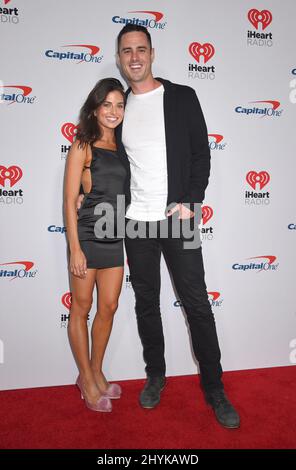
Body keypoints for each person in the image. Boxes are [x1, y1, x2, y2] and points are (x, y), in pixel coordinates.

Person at [115, 24, 240, 428]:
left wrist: (192, 200)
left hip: (177, 218)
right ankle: (156, 375)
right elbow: (113, 166)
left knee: (198, 304)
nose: (134, 57)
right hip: (137, 222)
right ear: (119, 59)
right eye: (126, 51)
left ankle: (215, 388)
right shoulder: (117, 109)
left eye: (140, 49)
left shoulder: (182, 97)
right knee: (146, 303)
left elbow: (201, 153)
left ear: (152, 54)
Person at [64, 78, 128, 412]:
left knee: (109, 307)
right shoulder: (82, 145)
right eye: (107, 104)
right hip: (87, 237)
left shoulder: (124, 148)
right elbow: (68, 201)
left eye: (119, 105)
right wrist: (75, 248)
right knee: (82, 306)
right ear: (95, 107)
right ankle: (86, 378)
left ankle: (97, 369)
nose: (114, 112)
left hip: (115, 236)